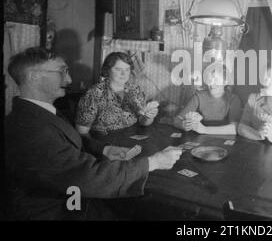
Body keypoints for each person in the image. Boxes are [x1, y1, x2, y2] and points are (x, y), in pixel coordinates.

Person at [4, 47, 182, 220]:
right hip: (60, 211)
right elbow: (85, 176)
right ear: (34, 76)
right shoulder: (29, 129)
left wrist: (105, 150)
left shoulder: (43, 113)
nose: (69, 78)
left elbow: (74, 141)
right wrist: (152, 162)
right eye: (62, 71)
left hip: (76, 198)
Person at [75, 52, 158, 137]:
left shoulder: (135, 90)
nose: (124, 74)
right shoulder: (93, 94)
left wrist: (148, 117)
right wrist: (101, 149)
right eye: (118, 69)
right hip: (105, 142)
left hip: (133, 137)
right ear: (107, 70)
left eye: (127, 69)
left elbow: (143, 122)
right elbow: (82, 131)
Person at [174, 64, 241, 135]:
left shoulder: (233, 99)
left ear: (225, 81)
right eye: (209, 80)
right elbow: (177, 120)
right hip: (201, 140)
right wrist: (183, 125)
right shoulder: (199, 96)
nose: (211, 84)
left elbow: (234, 129)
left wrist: (204, 129)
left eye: (216, 80)